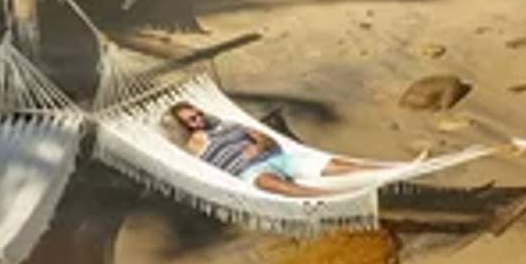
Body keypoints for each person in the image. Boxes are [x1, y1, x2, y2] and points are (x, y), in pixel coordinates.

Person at [159, 100, 393, 199]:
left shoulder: (228, 124)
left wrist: (259, 146)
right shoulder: (190, 147)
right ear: (183, 126)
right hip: (251, 173)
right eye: (191, 119)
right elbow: (171, 148)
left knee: (338, 165)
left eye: (198, 114)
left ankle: (390, 170)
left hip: (277, 157)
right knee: (271, 184)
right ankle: (330, 198)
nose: (198, 119)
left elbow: (266, 138)